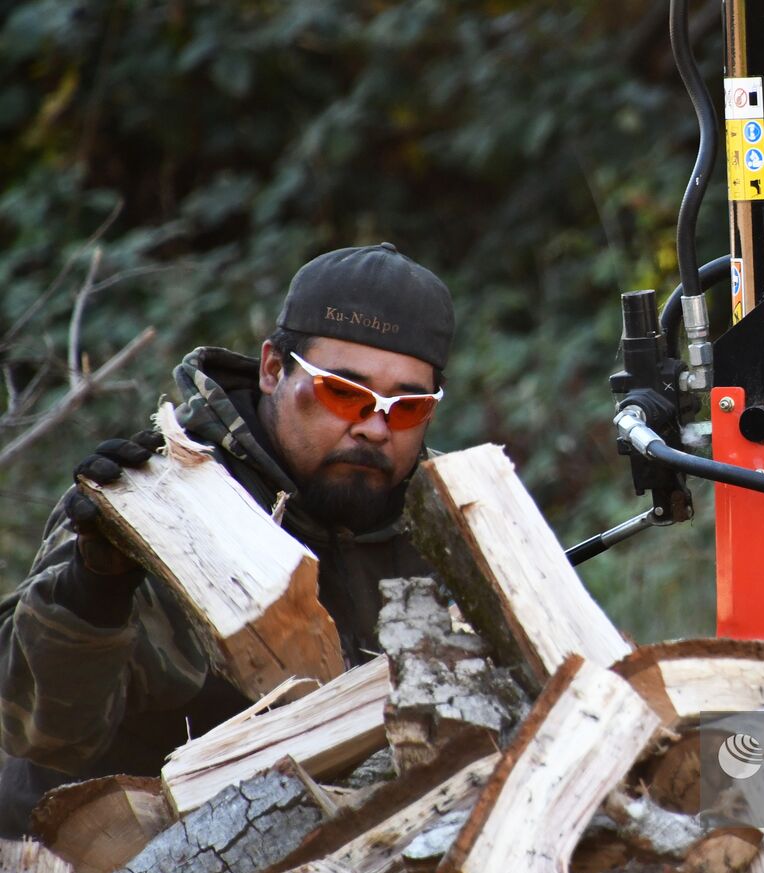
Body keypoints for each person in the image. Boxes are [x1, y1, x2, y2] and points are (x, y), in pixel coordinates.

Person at [0, 242, 455, 836]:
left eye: (407, 405)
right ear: (273, 369)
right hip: (97, 870)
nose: (374, 426)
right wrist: (97, 586)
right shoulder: (159, 492)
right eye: (344, 392)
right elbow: (39, 733)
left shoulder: (450, 518)